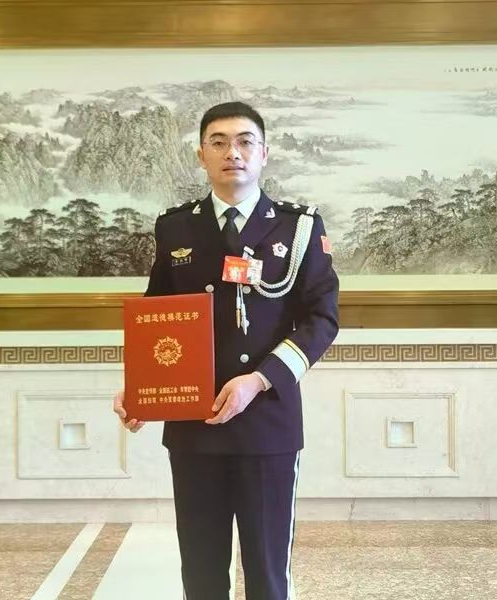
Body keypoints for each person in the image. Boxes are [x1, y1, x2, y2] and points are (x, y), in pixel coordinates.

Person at [113, 101, 339, 600]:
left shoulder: (298, 227)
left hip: (267, 421)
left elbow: (322, 319)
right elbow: (158, 313)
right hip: (194, 425)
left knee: (267, 571)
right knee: (200, 570)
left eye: (244, 142)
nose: (231, 152)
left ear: (264, 153)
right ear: (202, 155)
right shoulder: (175, 228)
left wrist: (258, 380)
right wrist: (140, 387)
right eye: (218, 142)